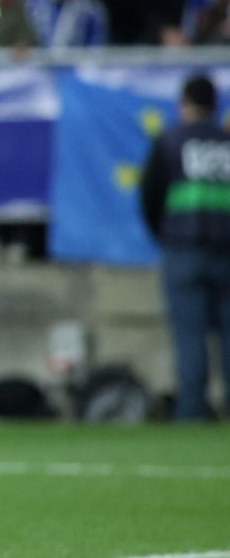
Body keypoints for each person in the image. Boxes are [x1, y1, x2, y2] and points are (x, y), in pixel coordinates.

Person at [139, 74, 230, 421]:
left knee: (189, 335)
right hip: (227, 251)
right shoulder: (226, 141)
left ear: (184, 103)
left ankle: (192, 413)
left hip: (183, 249)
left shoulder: (170, 140)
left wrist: (165, 236)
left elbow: (150, 197)